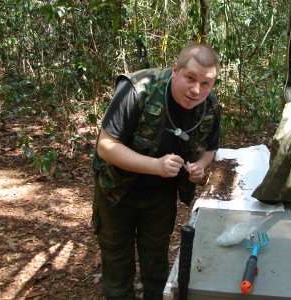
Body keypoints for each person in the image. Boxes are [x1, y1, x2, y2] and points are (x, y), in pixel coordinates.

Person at [92, 43, 221, 300]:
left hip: (161, 194)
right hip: (118, 189)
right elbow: (105, 146)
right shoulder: (139, 88)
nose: (196, 90)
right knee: (117, 260)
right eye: (190, 78)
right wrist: (155, 166)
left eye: (206, 83)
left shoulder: (210, 107)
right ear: (175, 70)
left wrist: (200, 167)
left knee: (156, 259)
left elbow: (210, 149)